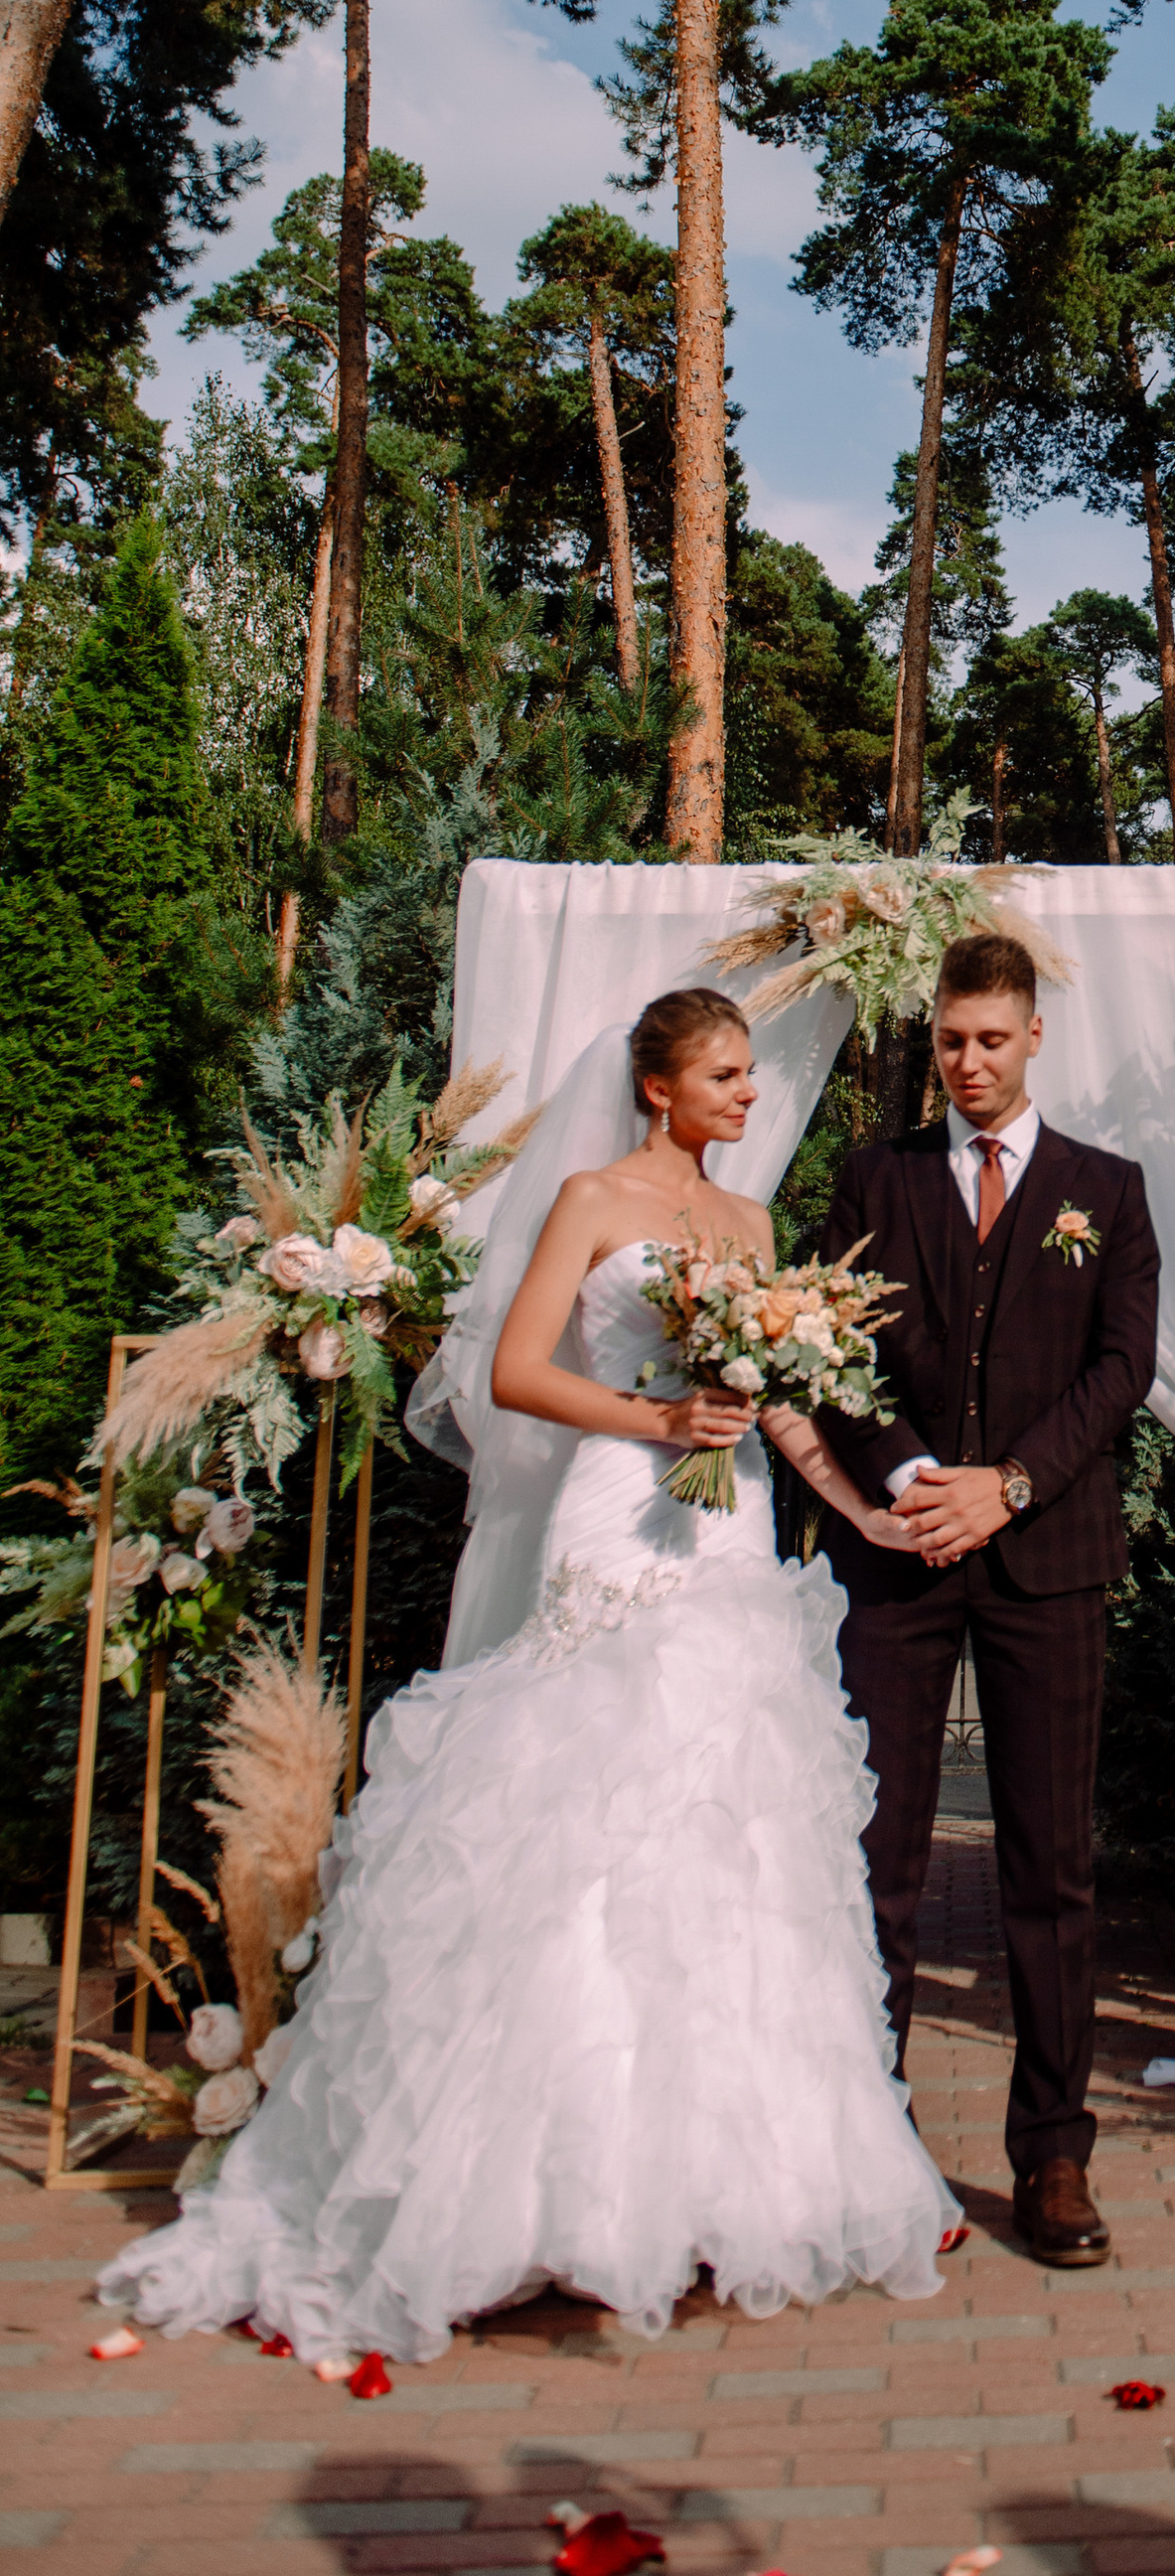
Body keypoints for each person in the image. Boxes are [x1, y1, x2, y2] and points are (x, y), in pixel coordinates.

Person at [97, 988, 956, 2365]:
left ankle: (699, 2189)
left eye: (747, 1074)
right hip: (622, 1510)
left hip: (729, 1526)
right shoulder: (590, 1198)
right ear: (661, 1087)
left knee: (725, 1825)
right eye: (723, 1075)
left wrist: (846, 1510)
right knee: (589, 1817)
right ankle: (534, 2194)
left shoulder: (747, 1225)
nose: (747, 1094)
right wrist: (656, 1414)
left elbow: (783, 1387)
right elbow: (511, 1369)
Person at [811, 929, 1159, 2269]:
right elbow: (827, 1344)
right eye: (951, 1039)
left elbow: (1122, 1368)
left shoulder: (1106, 1190)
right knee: (877, 1856)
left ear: (1032, 1038)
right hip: (897, 1556)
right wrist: (906, 1471)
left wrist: (1007, 1485)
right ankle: (868, 2137)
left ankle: (1055, 2153)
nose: (969, 1061)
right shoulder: (871, 1176)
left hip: (1048, 1558)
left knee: (1050, 1870)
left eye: (992, 1039)